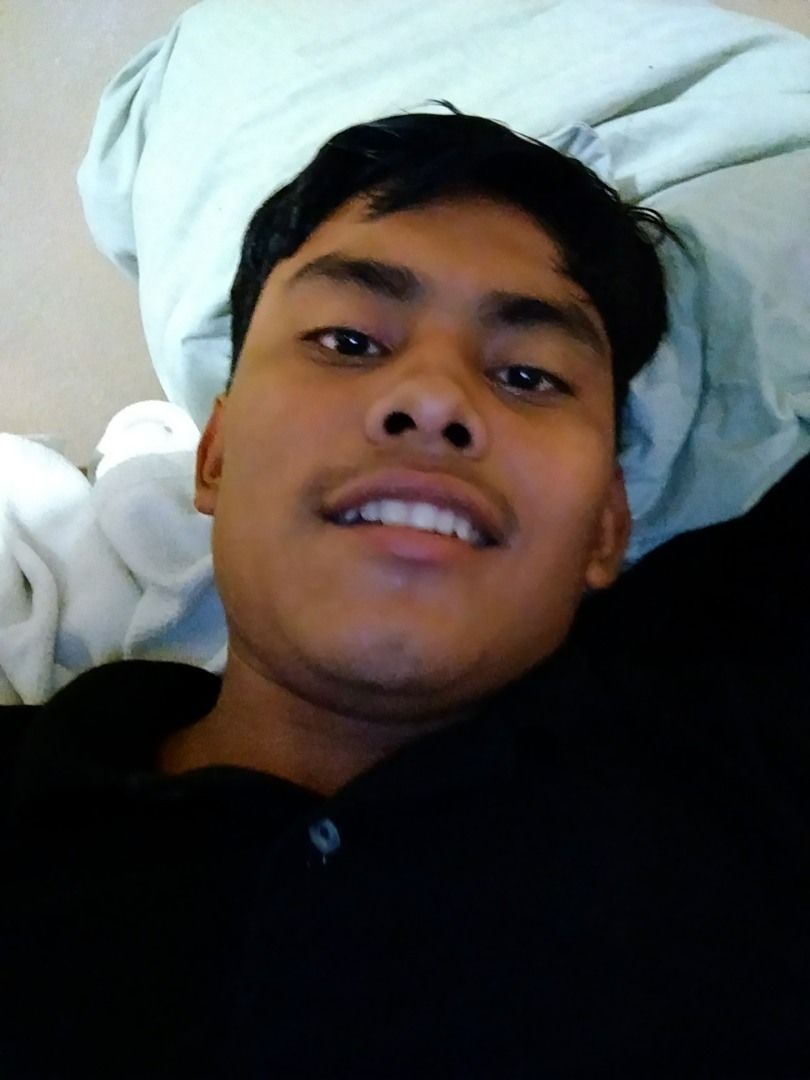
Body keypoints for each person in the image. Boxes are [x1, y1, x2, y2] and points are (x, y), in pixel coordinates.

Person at [2, 103, 807, 1079]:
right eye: (349, 341)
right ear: (214, 455)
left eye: (528, 375)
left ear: (606, 523)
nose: (433, 400)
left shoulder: (726, 726)